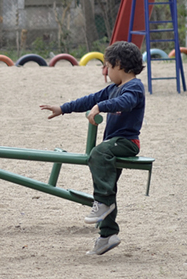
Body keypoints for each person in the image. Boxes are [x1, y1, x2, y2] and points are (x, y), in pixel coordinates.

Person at [40, 41, 145, 256]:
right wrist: (63, 108)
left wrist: (102, 106)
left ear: (118, 64)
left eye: (107, 66)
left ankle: (103, 204)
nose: (105, 72)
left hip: (126, 143)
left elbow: (125, 103)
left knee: (98, 154)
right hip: (113, 145)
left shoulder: (134, 87)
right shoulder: (113, 89)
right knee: (107, 183)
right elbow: (90, 100)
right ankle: (107, 236)